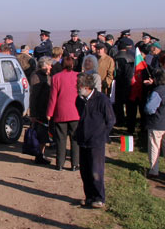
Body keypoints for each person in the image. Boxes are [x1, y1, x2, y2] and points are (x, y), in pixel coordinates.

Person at [75, 72, 115, 208]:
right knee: (85, 171)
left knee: (96, 170)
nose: (76, 88)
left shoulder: (102, 100)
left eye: (78, 86)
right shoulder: (79, 100)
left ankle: (99, 198)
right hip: (83, 140)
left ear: (87, 87)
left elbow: (110, 120)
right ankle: (89, 196)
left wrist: (101, 135)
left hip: (96, 142)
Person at [46, 55, 80, 171]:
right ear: (73, 64)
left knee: (61, 139)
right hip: (75, 112)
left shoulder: (56, 77)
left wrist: (49, 113)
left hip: (61, 112)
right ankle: (75, 164)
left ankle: (59, 163)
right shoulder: (78, 76)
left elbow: (52, 97)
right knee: (75, 139)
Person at [144, 69, 165, 178]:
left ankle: (154, 171)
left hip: (156, 124)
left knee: (154, 147)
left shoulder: (157, 92)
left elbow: (149, 109)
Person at [29, 57, 53, 164]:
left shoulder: (46, 75)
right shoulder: (36, 76)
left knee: (43, 135)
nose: (51, 66)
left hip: (45, 108)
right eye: (49, 64)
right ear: (45, 65)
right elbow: (34, 96)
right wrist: (33, 113)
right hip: (39, 110)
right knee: (40, 134)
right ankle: (39, 156)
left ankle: (41, 155)